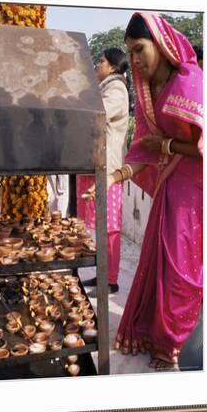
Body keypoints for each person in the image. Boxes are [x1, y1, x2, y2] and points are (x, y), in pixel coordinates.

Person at [105, 12, 203, 370]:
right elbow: (147, 147)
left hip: (196, 184)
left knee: (180, 266)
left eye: (139, 49)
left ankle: (173, 344)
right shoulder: (147, 91)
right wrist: (116, 177)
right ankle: (154, 334)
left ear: (160, 44)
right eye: (129, 52)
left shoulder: (189, 81)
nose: (134, 60)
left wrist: (168, 147)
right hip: (169, 182)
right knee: (158, 260)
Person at [77, 48, 130, 294]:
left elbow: (96, 115)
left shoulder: (116, 90)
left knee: (109, 228)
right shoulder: (106, 88)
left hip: (109, 171)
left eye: (101, 62)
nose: (97, 65)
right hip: (97, 165)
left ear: (112, 67)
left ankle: (110, 280)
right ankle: (102, 276)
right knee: (99, 226)